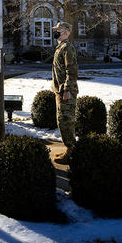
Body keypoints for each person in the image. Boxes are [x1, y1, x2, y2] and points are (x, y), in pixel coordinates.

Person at [51, 21, 78, 165]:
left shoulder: (68, 48)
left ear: (66, 33)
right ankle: (69, 148)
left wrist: (67, 89)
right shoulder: (60, 47)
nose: (56, 32)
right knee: (62, 120)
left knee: (65, 121)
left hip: (66, 92)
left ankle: (71, 152)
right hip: (60, 91)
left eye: (59, 30)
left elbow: (72, 71)